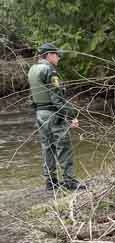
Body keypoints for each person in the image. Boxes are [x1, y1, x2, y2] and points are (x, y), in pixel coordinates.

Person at [27, 43, 86, 191]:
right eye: (56, 54)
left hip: (40, 114)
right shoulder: (50, 71)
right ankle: (69, 181)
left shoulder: (32, 70)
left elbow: (33, 96)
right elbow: (57, 99)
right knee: (63, 146)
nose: (59, 57)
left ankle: (51, 181)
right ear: (48, 55)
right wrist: (72, 115)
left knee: (47, 147)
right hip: (53, 114)